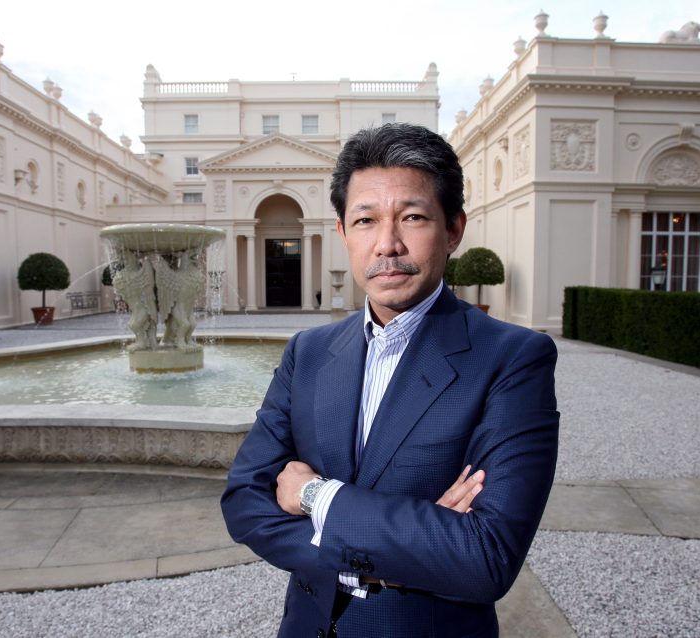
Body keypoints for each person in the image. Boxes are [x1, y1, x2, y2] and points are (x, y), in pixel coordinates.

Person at [221, 123, 559, 637]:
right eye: (365, 220)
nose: (387, 244)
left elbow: (486, 558)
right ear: (342, 233)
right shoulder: (307, 353)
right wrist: (419, 539)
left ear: (453, 229)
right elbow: (245, 501)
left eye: (413, 217)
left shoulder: (513, 359)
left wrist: (316, 497)